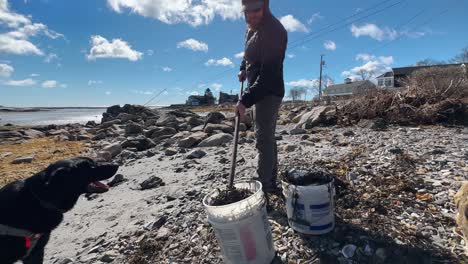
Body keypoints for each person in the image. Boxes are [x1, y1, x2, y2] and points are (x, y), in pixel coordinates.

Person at [236, 0, 287, 192]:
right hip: (256, 88)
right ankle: (270, 178)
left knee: (263, 138)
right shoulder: (251, 28)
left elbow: (268, 77)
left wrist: (245, 100)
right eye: (247, 11)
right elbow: (247, 52)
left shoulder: (274, 31)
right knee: (267, 136)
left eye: (256, 10)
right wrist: (243, 69)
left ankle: (265, 184)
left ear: (265, 7)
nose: (251, 15)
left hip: (269, 91)